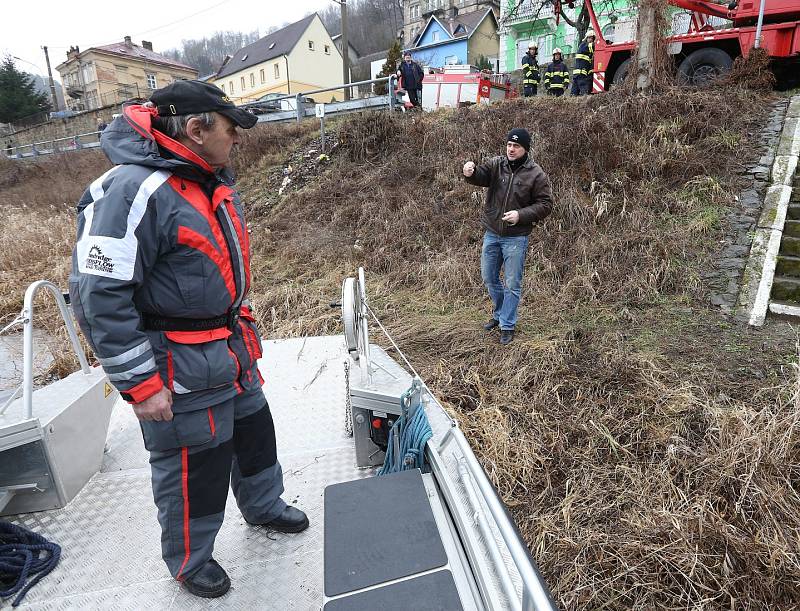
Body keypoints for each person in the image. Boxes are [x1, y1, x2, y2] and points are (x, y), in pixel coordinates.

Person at [69, 80, 308, 599]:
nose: (237, 140)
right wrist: (141, 384)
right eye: (230, 129)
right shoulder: (129, 191)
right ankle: (190, 559)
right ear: (196, 129)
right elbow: (98, 297)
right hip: (178, 364)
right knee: (193, 464)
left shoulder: (205, 177)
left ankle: (264, 506)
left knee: (253, 432)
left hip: (230, 346)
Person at [462, 128, 553, 345]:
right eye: (509, 145)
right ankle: (500, 313)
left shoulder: (536, 174)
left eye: (516, 146)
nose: (511, 149)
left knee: (512, 283)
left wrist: (520, 215)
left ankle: (507, 324)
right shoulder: (496, 164)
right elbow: (481, 176)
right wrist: (470, 173)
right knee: (489, 277)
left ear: (525, 149)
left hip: (516, 237)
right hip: (492, 233)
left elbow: (545, 204)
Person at [571, 29, 595, 96]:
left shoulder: (587, 52)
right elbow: (592, 46)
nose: (591, 40)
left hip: (578, 75)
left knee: (573, 94)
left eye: (592, 38)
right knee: (585, 94)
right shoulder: (583, 45)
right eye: (589, 38)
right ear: (586, 38)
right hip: (581, 75)